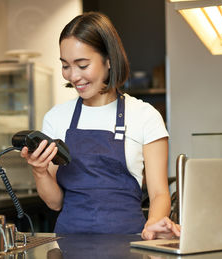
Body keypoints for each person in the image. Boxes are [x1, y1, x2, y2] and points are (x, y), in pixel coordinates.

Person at [20, 12, 180, 240]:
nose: (73, 76)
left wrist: (153, 226)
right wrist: (39, 171)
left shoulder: (145, 116)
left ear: (109, 60)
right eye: (66, 66)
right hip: (69, 247)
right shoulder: (56, 118)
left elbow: (159, 194)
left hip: (129, 245)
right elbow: (55, 203)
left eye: (82, 65)